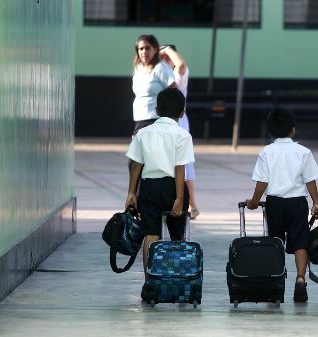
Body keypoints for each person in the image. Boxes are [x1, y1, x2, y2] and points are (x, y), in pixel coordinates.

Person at [246, 107, 318, 303]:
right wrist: (316, 203)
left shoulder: (267, 152)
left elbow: (262, 182)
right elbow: (310, 180)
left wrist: (254, 202)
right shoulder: (303, 152)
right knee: (300, 242)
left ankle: (276, 281)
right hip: (298, 203)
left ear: (270, 130)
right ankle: (300, 279)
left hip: (275, 204)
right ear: (293, 130)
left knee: (276, 242)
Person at [125, 87, 194, 301]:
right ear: (182, 112)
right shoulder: (183, 135)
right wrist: (180, 198)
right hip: (174, 188)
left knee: (151, 234)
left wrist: (131, 193)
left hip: (149, 187)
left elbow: (136, 165)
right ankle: (180, 279)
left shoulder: (143, 133)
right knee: (177, 235)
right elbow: (180, 168)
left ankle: (149, 283)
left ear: (157, 109)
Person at [159, 44, 200, 219]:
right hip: (162, 126)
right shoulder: (160, 75)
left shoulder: (178, 75)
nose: (164, 60)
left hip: (179, 125)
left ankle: (192, 205)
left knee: (185, 167)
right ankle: (188, 204)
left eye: (167, 57)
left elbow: (181, 65)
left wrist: (167, 49)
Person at [131, 34, 177, 138]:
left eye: (147, 48)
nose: (144, 51)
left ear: (155, 49)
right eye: (141, 48)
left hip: (156, 121)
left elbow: (175, 91)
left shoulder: (160, 67)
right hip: (140, 120)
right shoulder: (138, 68)